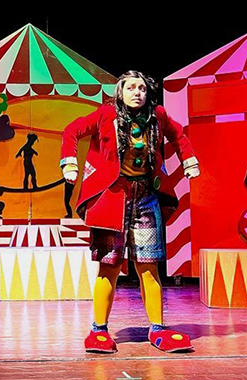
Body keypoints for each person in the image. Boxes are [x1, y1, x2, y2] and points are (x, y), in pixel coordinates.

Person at [60, 71, 200, 354]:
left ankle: (157, 328)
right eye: (132, 88)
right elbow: (72, 130)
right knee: (109, 266)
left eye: (142, 88)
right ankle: (99, 330)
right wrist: (69, 162)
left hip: (145, 197)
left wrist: (189, 160)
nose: (138, 93)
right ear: (120, 92)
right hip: (112, 199)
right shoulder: (105, 115)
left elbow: (178, 135)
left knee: (149, 265)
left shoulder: (157, 115)